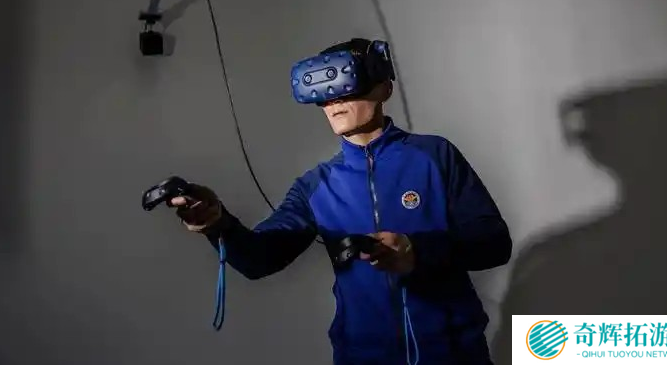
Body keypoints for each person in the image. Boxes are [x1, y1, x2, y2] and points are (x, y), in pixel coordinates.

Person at [171, 38, 512, 365]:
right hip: (363, 358)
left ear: (384, 87)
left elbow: (494, 243)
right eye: (323, 92)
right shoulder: (315, 187)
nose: (333, 101)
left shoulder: (435, 156)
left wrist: (417, 251)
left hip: (454, 353)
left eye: (345, 84)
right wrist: (217, 224)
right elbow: (258, 259)